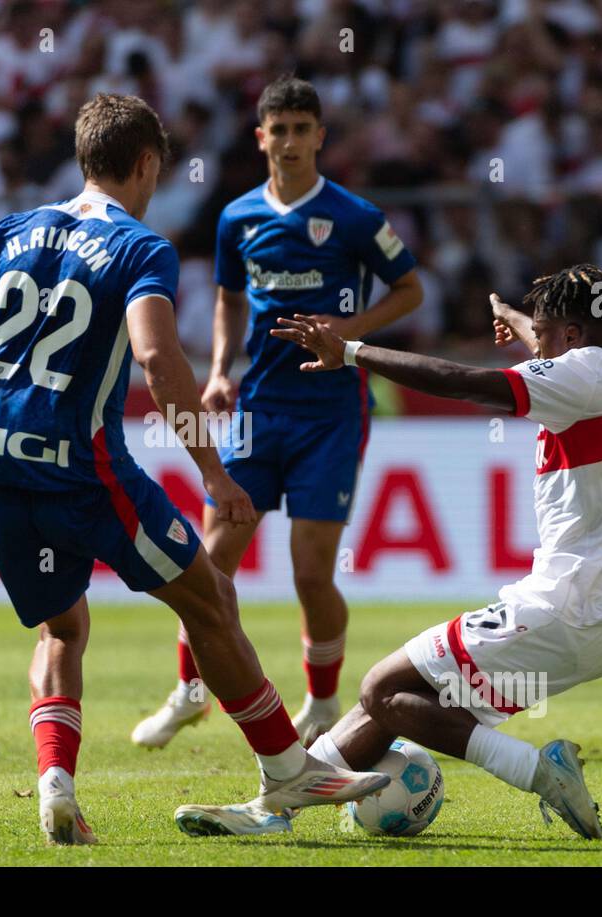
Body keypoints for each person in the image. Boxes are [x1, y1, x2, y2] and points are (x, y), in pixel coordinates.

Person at [0, 93, 388, 846]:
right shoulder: (142, 248)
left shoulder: (15, 230)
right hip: (82, 473)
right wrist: (212, 470)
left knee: (62, 627)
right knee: (208, 599)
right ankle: (286, 768)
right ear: (146, 165)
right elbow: (154, 357)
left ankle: (56, 783)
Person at [175, 265, 602, 840]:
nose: (539, 347)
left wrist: (351, 351)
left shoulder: (577, 377)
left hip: (567, 607)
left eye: (545, 332)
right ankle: (273, 806)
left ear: (575, 337)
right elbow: (568, 355)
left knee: (382, 688)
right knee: (404, 697)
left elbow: (461, 380)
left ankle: (539, 771)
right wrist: (522, 322)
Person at [132, 76, 422, 751]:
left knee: (310, 571)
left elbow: (410, 288)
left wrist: (351, 330)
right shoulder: (237, 218)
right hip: (258, 410)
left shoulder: (352, 216)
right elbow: (231, 299)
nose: (289, 141)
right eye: (278, 130)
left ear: (319, 136)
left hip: (330, 414)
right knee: (208, 561)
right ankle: (191, 691)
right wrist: (218, 373)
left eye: (301, 129)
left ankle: (322, 703)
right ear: (260, 138)